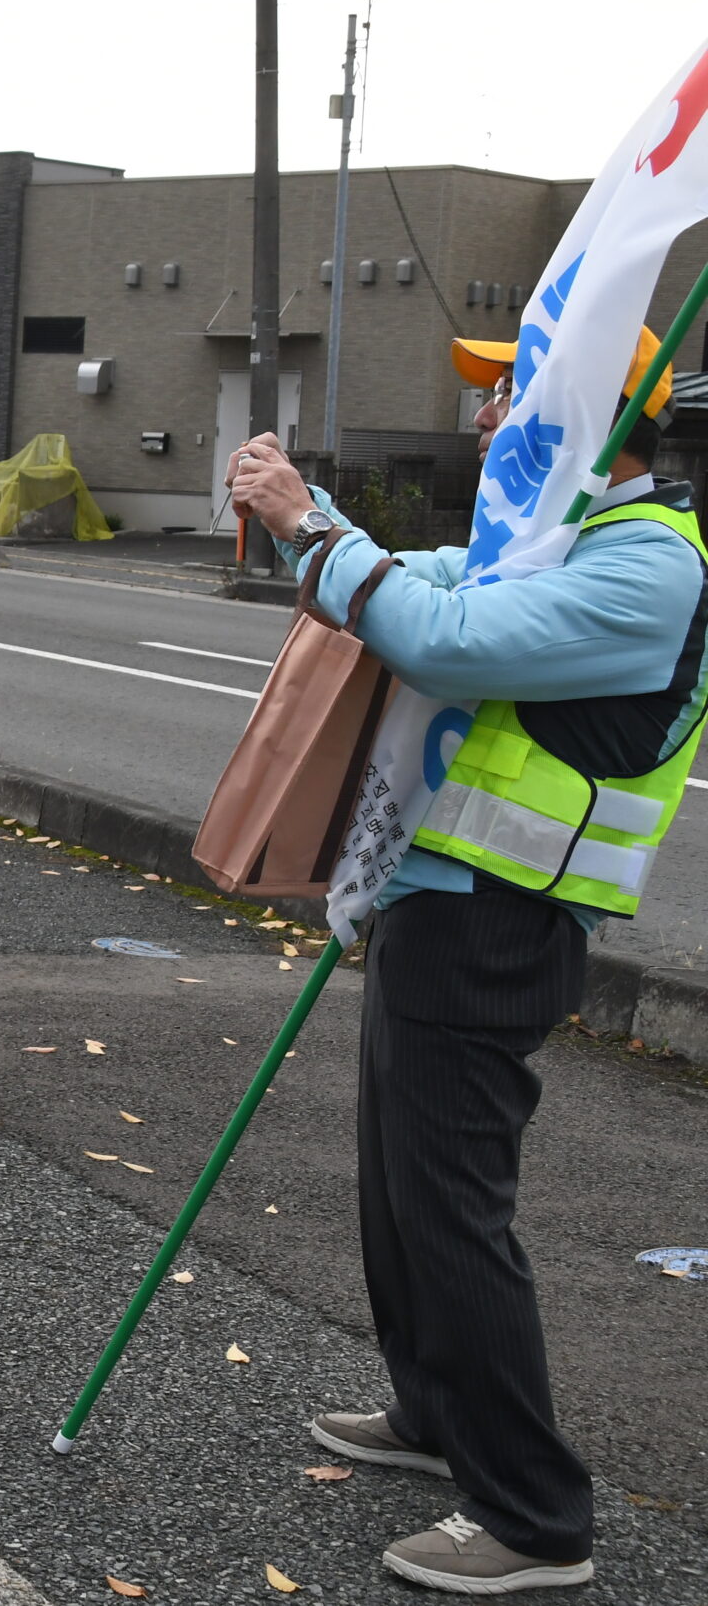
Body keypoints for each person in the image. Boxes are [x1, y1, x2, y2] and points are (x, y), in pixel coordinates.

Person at [226, 326, 699, 1595]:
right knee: (396, 1196)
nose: (482, 412)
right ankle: (434, 1413)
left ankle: (535, 1517)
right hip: (440, 898)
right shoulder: (549, 538)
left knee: (449, 1217)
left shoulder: (648, 564)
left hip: (503, 915)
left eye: (509, 394)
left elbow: (441, 639)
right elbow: (418, 573)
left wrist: (313, 532)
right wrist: (303, 512)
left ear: (596, 420)